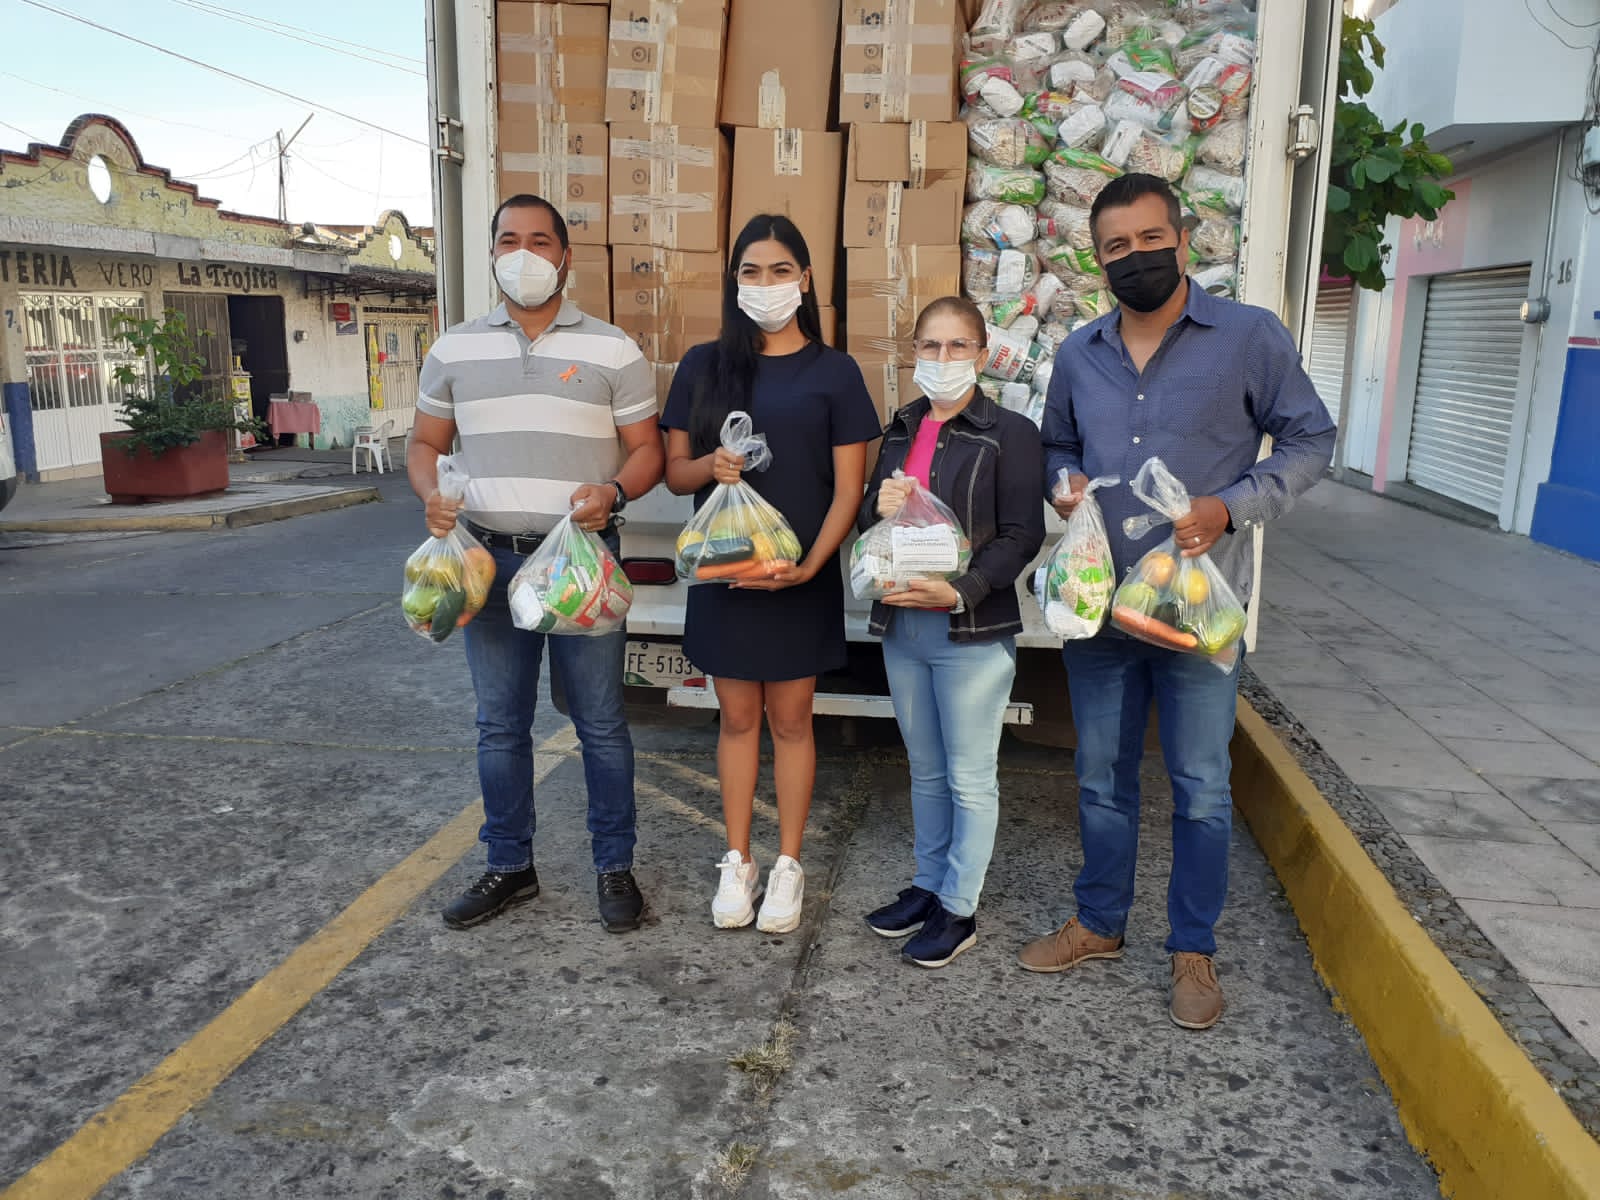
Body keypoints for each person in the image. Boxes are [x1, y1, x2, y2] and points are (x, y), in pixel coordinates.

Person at [1019, 173, 1335, 1028]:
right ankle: (1098, 922)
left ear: (1183, 241)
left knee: (1199, 784)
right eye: (1116, 247)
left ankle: (1193, 949)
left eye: (1150, 239)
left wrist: (1230, 506)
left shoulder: (1248, 337)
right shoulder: (1079, 353)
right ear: (1099, 261)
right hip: (1100, 603)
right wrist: (1062, 482)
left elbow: (1311, 438)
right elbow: (1055, 443)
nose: (1136, 258)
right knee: (1100, 777)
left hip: (1200, 609)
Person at [408, 194, 665, 934]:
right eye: (509, 240)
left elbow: (646, 450)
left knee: (601, 723)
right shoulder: (454, 350)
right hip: (487, 562)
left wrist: (615, 491)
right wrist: (432, 496)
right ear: (492, 253)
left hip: (581, 564)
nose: (524, 254)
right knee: (499, 725)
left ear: (565, 257)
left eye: (540, 241)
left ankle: (614, 865)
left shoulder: (613, 349)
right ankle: (509, 866)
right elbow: (424, 444)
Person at [661, 214, 881, 934]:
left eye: (780, 271)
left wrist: (810, 567)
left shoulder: (835, 372)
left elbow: (850, 489)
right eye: (751, 272)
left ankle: (787, 863)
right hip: (724, 578)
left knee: (791, 721)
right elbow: (674, 473)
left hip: (798, 580)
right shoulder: (702, 366)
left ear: (805, 280)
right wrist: (710, 464)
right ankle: (738, 860)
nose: (766, 284)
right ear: (734, 282)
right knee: (735, 719)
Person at [859, 298, 1045, 968]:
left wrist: (963, 588)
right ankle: (929, 884)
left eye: (958, 346)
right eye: (931, 346)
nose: (943, 359)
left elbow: (1022, 534)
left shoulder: (1011, 433)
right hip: (903, 625)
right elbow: (872, 526)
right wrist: (875, 506)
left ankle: (959, 908)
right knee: (927, 770)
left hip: (970, 633)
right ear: (914, 352)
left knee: (970, 778)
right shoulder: (901, 428)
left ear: (982, 353)